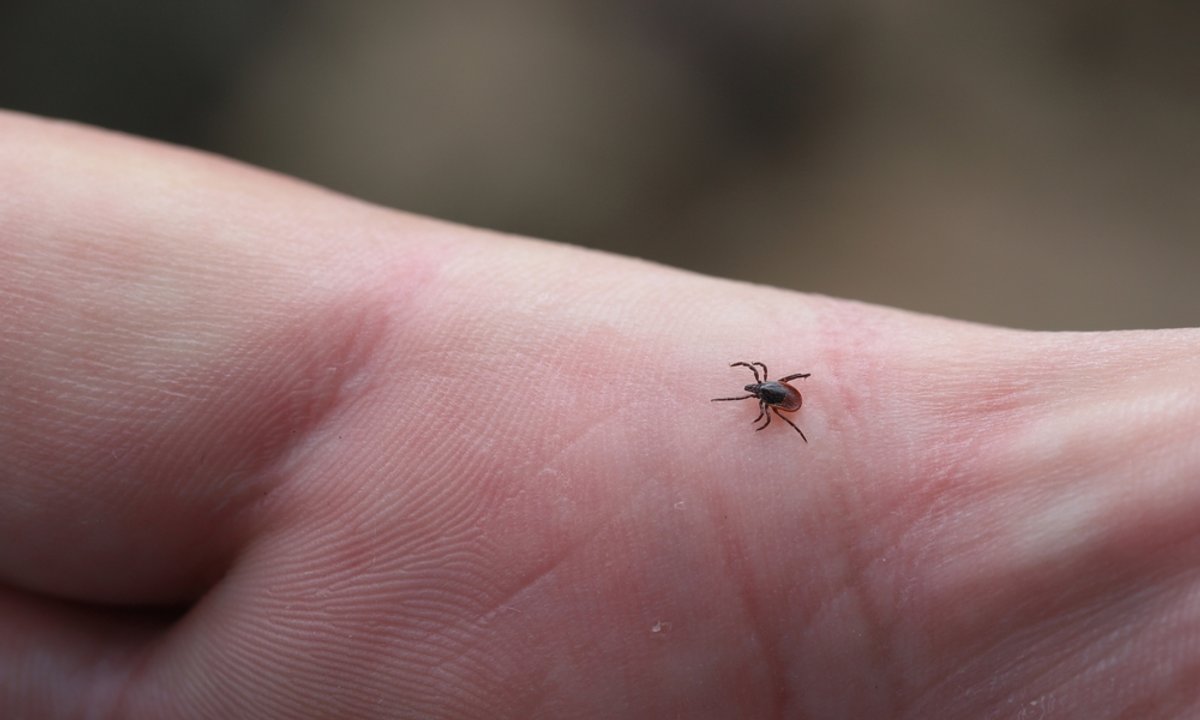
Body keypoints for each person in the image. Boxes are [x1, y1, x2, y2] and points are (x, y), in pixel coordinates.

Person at [2, 109, 1197, 719]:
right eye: (770, 397)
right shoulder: (775, 398)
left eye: (770, 397)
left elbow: (779, 399)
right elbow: (781, 397)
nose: (769, 400)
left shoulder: (772, 401)